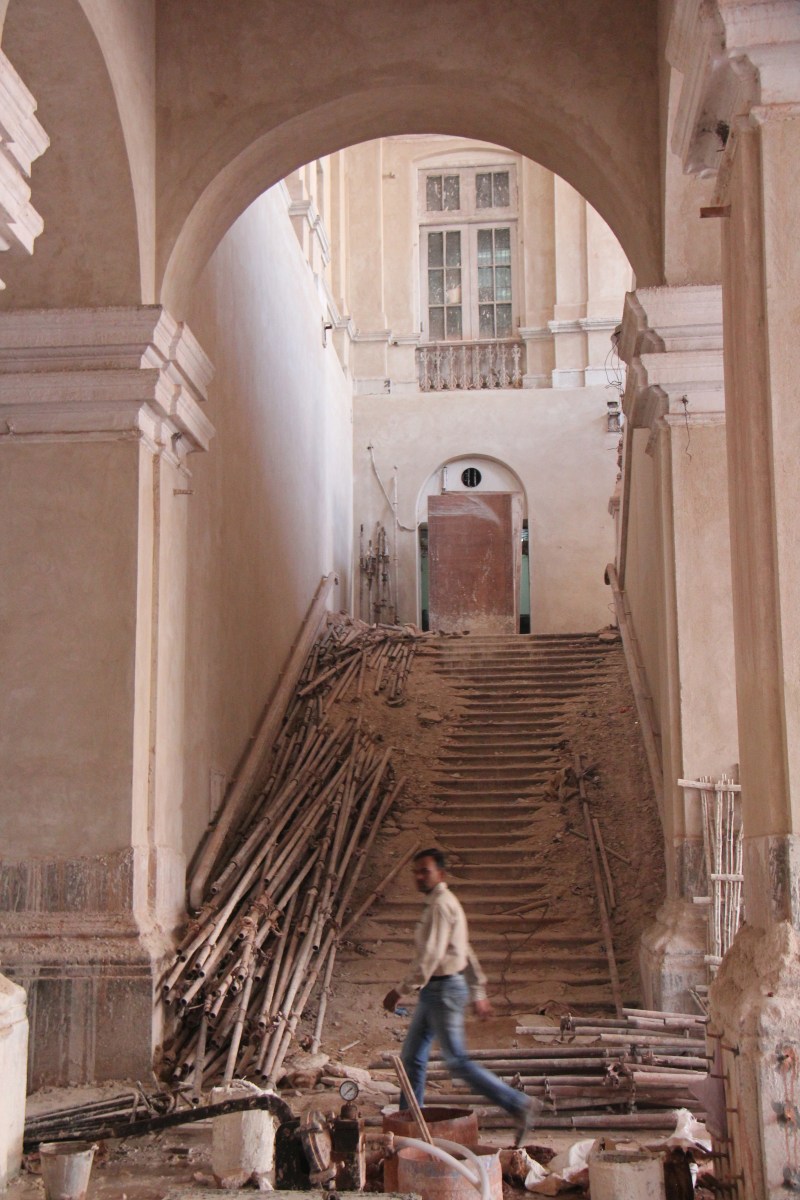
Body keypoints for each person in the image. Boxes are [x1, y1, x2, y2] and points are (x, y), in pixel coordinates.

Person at [382, 847, 541, 1145]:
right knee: (412, 1059)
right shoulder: (438, 904)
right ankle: (409, 1126)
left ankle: (519, 1104)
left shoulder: (442, 905)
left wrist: (400, 990)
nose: (419, 876)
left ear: (441, 874)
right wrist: (478, 991)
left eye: (425, 871)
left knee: (456, 1061)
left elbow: (431, 955)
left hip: (444, 990)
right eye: (416, 871)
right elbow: (464, 950)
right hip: (434, 991)